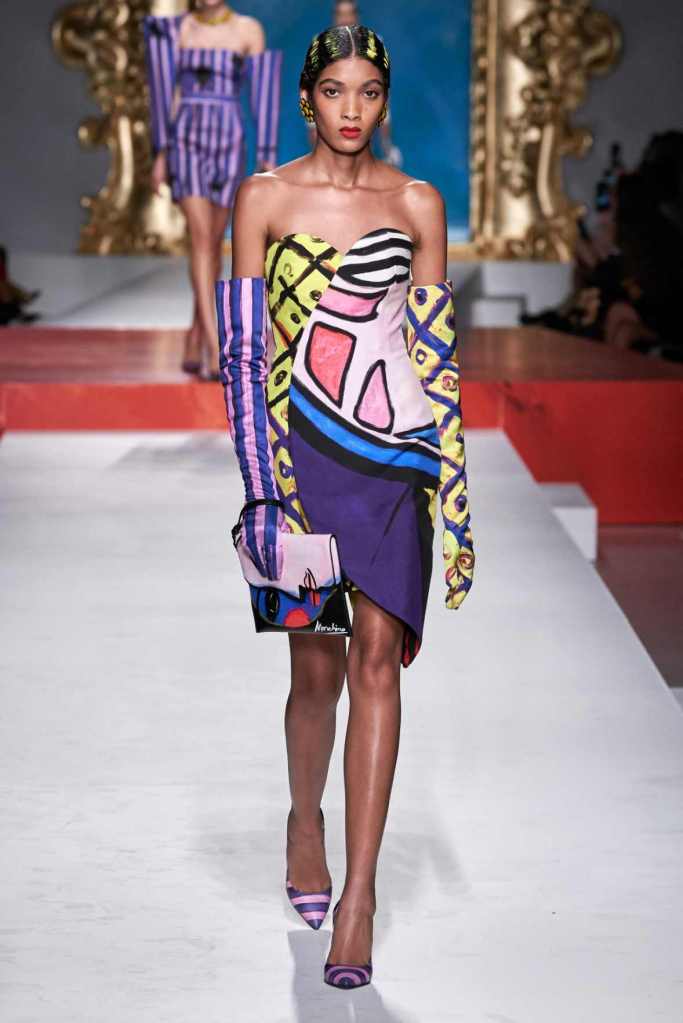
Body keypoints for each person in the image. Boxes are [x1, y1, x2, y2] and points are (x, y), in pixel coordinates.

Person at [216, 24, 475, 988]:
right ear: (306, 99)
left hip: (391, 457)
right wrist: (259, 486)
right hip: (295, 461)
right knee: (314, 666)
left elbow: (434, 360)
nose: (351, 108)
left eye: (368, 91)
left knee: (375, 657)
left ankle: (359, 896)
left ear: (385, 100)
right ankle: (303, 819)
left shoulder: (417, 204)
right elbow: (243, 355)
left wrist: (454, 497)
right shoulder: (263, 198)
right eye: (334, 91)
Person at [143, 1, 282, 379]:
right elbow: (165, 94)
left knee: (214, 243)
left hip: (228, 141)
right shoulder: (176, 30)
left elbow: (263, 94)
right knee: (201, 238)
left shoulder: (248, 30)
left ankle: (193, 337)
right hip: (185, 139)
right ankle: (213, 341)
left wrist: (267, 155)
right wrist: (161, 153)